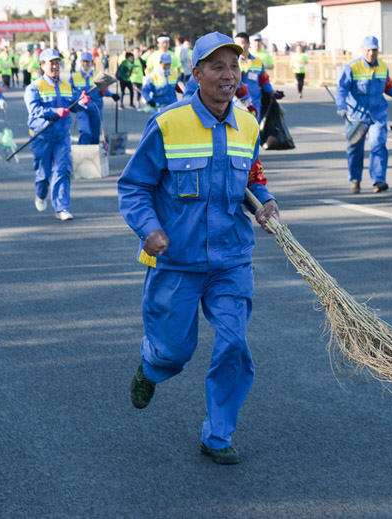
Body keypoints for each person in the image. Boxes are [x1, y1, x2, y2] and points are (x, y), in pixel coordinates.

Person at [118, 31, 279, 465]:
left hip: (231, 261)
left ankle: (218, 434)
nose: (229, 75)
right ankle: (152, 366)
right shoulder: (168, 123)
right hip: (176, 261)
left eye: (235, 66)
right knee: (174, 351)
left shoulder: (248, 124)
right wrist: (148, 229)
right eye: (218, 67)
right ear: (197, 73)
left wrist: (265, 203)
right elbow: (134, 187)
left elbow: (253, 179)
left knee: (234, 344)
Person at [336, 35, 392, 194]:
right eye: (368, 50)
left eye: (374, 50)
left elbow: (388, 87)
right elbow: (342, 88)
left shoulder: (383, 67)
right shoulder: (352, 67)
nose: (371, 53)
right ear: (362, 50)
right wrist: (341, 106)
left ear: (377, 51)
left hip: (377, 115)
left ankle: (379, 180)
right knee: (355, 149)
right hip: (356, 116)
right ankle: (355, 180)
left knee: (378, 145)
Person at [23, 49, 86, 220]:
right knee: (43, 175)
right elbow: (34, 110)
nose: (55, 66)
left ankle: (61, 208)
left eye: (57, 62)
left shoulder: (66, 85)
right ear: (42, 65)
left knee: (63, 170)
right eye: (51, 63)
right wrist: (54, 112)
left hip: (62, 136)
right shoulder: (34, 87)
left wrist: (82, 102)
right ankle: (40, 194)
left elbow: (74, 105)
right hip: (41, 136)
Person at [69, 51, 118, 145]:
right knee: (86, 132)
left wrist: (112, 95)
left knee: (95, 136)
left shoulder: (98, 75)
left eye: (88, 62)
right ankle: (82, 152)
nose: (86, 64)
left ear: (92, 63)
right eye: (84, 62)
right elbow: (70, 93)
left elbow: (103, 90)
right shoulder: (74, 77)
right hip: (82, 109)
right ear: (81, 62)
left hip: (96, 110)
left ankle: (93, 153)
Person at [234, 32, 277, 120]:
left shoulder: (258, 62)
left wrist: (272, 92)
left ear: (248, 44)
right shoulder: (233, 62)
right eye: (236, 44)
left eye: (241, 43)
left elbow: (264, 81)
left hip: (255, 103)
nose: (238, 46)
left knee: (255, 127)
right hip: (237, 104)